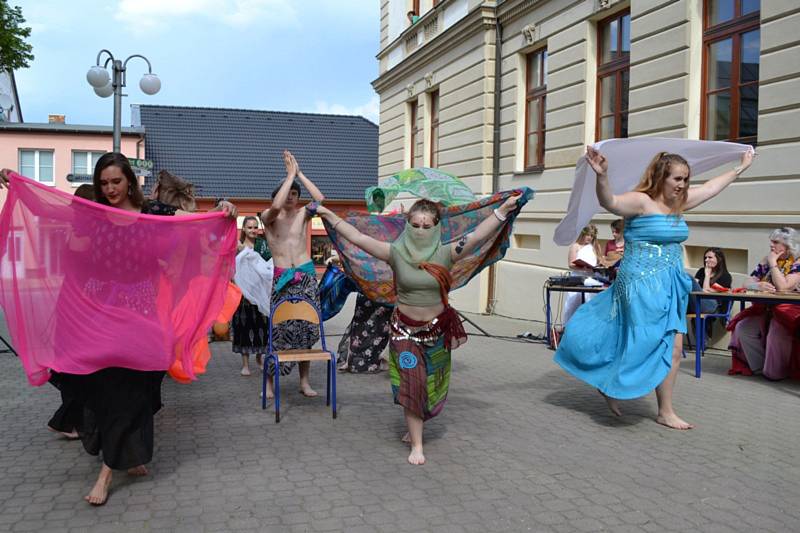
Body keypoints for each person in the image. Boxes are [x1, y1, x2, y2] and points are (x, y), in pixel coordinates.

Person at [1, 155, 238, 505]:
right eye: (105, 183)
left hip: (140, 313)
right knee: (100, 387)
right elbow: (49, 208)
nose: (110, 189)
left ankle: (109, 469)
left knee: (138, 386)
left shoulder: (151, 212)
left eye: (116, 181)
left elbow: (194, 219)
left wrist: (223, 208)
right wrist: (20, 183)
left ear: (130, 180)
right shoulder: (92, 214)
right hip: (98, 314)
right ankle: (121, 457)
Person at [554, 145, 754, 430]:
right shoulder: (641, 202)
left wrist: (740, 168)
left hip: (671, 285)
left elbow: (710, 188)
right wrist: (602, 176)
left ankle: (665, 411)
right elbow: (610, 201)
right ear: (662, 177)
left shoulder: (679, 203)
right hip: (638, 284)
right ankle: (611, 384)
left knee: (673, 349)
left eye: (686, 179)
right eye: (677, 179)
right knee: (638, 341)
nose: (683, 185)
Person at [315, 194, 523, 465]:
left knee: (432, 389)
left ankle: (418, 422)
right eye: (415, 225)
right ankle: (416, 443)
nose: (421, 231)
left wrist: (503, 210)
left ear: (436, 227)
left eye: (427, 226)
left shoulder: (447, 252)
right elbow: (357, 237)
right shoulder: (395, 253)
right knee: (411, 385)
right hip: (404, 333)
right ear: (407, 225)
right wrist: (327, 214)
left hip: (437, 332)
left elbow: (476, 237)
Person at [260, 150, 325, 399]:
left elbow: (320, 199)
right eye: (288, 192)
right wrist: (288, 177)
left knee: (306, 329)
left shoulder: (303, 215)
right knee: (278, 329)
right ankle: (268, 383)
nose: (292, 197)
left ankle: (304, 382)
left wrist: (299, 174)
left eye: (295, 194)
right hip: (282, 277)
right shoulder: (268, 217)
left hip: (306, 275)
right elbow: (276, 206)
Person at [728, 228, 800, 380]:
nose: (771, 245)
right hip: (766, 308)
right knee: (743, 327)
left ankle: (776, 372)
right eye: (771, 241)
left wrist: (773, 263)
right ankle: (760, 367)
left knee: (776, 329)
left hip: (789, 312)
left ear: (788, 245)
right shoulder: (766, 259)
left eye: (775, 242)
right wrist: (757, 285)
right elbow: (747, 281)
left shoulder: (797, 261)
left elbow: (784, 287)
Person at [232, 216, 272, 376]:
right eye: (250, 227)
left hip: (260, 293)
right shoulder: (237, 246)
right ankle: (245, 364)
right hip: (243, 295)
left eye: (255, 227)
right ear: (244, 229)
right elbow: (233, 268)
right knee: (243, 327)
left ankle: (259, 358)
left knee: (261, 327)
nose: (253, 230)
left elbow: (269, 266)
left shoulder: (263, 246)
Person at [562, 225, 601, 324]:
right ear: (582, 234)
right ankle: (569, 327)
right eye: (587, 235)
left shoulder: (594, 247)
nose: (589, 238)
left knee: (590, 303)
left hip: (591, 278)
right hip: (578, 278)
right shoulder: (575, 246)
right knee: (573, 304)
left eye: (591, 236)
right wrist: (582, 267)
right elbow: (571, 264)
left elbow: (599, 261)